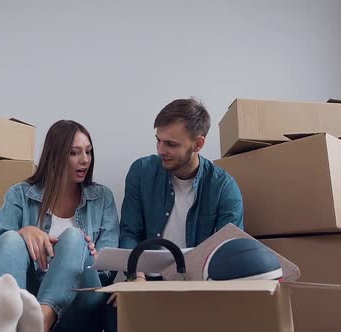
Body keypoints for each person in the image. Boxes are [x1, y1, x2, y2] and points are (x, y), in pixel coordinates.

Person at [104, 98, 244, 330]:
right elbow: (130, 233)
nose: (161, 150)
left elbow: (229, 253)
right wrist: (136, 279)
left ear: (198, 144)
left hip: (198, 288)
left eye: (171, 144)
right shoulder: (141, 172)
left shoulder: (224, 188)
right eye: (158, 141)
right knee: (114, 313)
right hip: (147, 281)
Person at [0, 120, 119, 332]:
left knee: (74, 237)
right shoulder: (19, 194)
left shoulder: (102, 198)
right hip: (29, 296)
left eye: (88, 152)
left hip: (80, 301)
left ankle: (41, 321)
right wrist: (23, 232)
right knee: (10, 238)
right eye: (75, 153)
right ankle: (11, 324)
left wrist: (92, 256)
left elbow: (108, 271)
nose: (85, 160)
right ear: (54, 156)